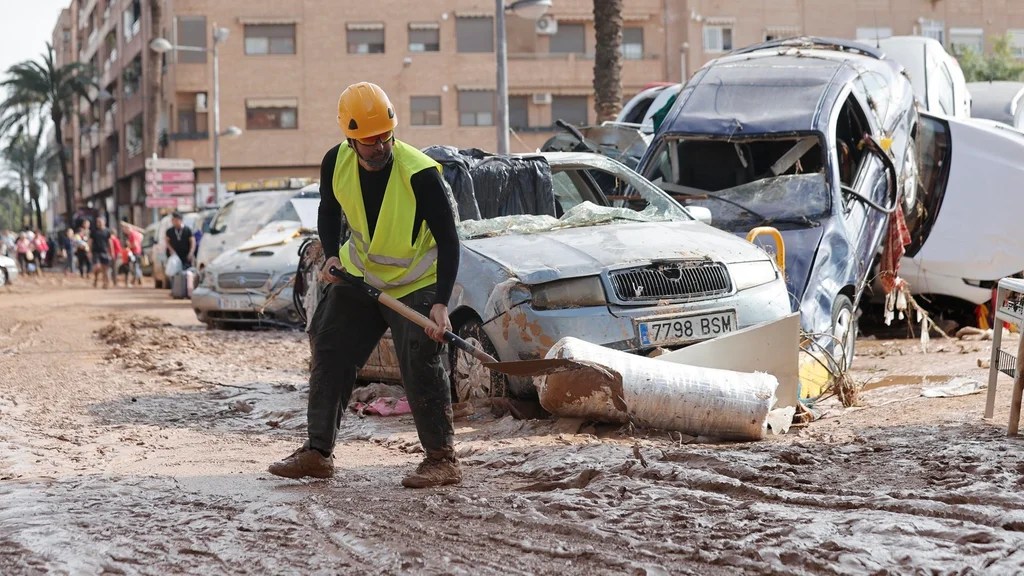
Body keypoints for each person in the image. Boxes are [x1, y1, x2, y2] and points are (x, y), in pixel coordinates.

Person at [268, 82, 462, 488]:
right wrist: (334, 254)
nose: (379, 147)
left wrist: (441, 303)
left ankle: (442, 460)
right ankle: (318, 453)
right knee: (329, 342)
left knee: (419, 357)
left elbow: (448, 239)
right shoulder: (334, 162)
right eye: (369, 140)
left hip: (416, 283)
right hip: (360, 278)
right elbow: (329, 208)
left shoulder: (420, 173)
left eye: (385, 137)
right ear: (350, 138)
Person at [90, 217, 114, 288]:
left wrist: (111, 251)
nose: (99, 223)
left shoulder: (107, 231)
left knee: (105, 269)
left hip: (104, 251)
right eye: (98, 222)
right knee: (97, 267)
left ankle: (105, 283)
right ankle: (96, 279)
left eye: (100, 222)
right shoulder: (94, 231)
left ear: (104, 222)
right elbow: (90, 241)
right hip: (96, 252)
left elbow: (110, 242)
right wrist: (89, 251)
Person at [121, 218, 144, 286]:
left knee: (135, 267)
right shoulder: (136, 234)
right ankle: (139, 280)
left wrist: (128, 246)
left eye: (125, 229)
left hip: (135, 252)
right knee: (137, 266)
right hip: (138, 252)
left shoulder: (132, 235)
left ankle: (136, 280)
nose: (124, 231)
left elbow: (134, 244)